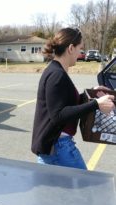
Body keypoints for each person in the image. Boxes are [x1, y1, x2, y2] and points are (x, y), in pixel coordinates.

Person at [31, 27, 115, 170]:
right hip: (58, 146)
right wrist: (96, 104)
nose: (80, 53)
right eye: (80, 49)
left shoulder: (56, 70)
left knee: (54, 190)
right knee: (84, 186)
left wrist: (92, 93)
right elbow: (58, 115)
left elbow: (65, 101)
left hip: (56, 146)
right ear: (71, 48)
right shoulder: (57, 75)